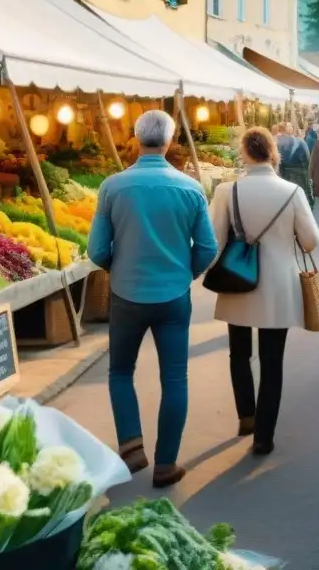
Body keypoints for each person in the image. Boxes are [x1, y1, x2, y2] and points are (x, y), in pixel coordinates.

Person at [87, 110, 218, 488]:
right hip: (174, 295)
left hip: (126, 294)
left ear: (135, 137)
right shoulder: (191, 188)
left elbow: (96, 250)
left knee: (120, 371)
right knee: (175, 376)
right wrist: (186, 272)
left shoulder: (113, 187)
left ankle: (131, 446)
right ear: (170, 141)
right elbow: (207, 248)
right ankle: (166, 463)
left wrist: (119, 267)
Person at [209, 127, 319, 455]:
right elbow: (312, 240)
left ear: (244, 153)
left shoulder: (226, 192)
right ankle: (264, 436)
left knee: (239, 353)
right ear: (273, 153)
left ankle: (246, 415)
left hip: (237, 281)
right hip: (279, 288)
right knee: (273, 362)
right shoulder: (292, 191)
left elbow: (213, 244)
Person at [277, 122, 313, 207]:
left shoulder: (278, 143)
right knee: (301, 197)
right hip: (299, 173)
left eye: (291, 126)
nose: (291, 128)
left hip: (287, 174)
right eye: (288, 127)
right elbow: (308, 159)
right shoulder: (300, 142)